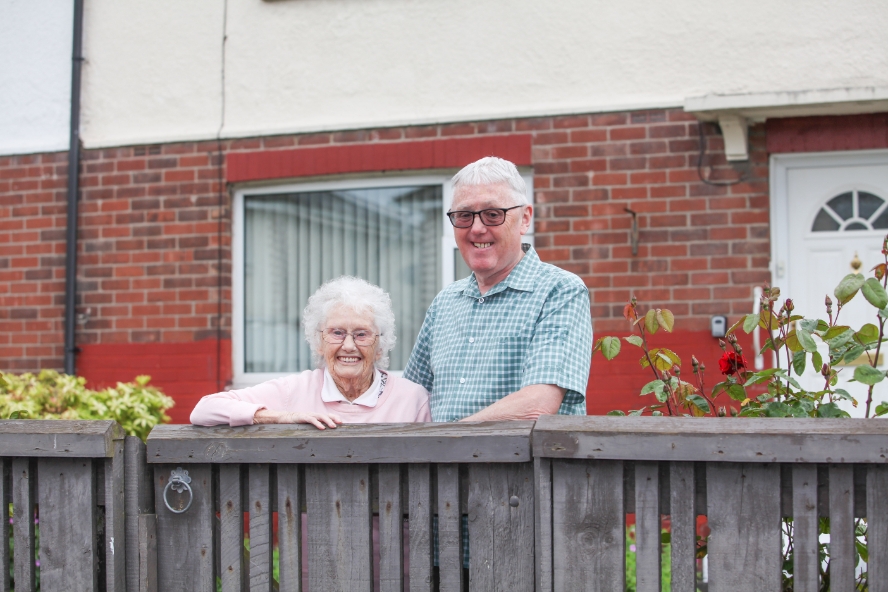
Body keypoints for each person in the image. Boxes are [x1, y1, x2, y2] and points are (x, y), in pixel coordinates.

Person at [404, 156, 592, 422]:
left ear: (525, 219)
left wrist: (447, 440)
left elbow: (538, 403)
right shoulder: (445, 302)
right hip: (439, 462)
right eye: (464, 215)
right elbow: (410, 397)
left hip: (519, 464)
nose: (477, 228)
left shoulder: (560, 291)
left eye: (493, 214)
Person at [191, 276, 430, 427]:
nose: (348, 345)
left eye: (361, 334)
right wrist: (281, 416)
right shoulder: (292, 392)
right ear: (318, 341)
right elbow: (203, 410)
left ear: (380, 346)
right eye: (337, 333)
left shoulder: (412, 399)